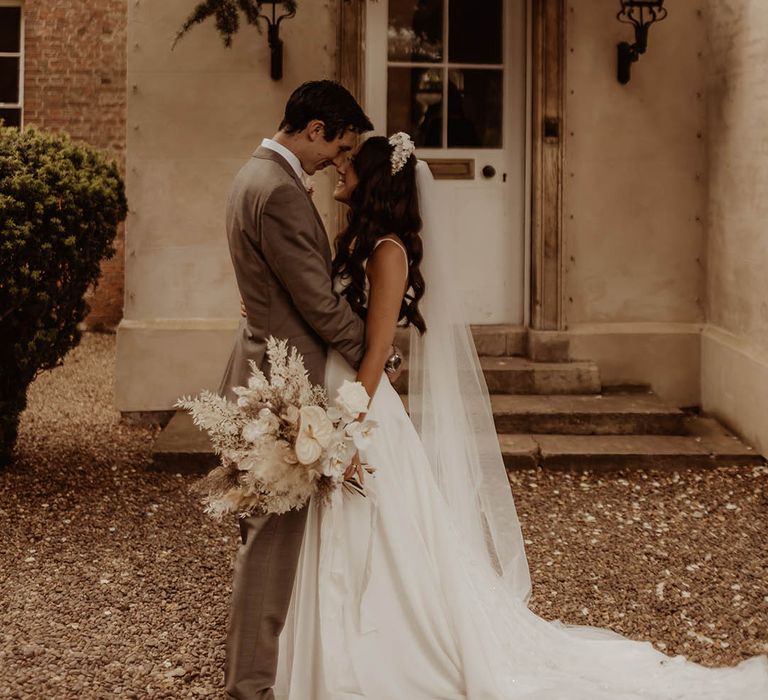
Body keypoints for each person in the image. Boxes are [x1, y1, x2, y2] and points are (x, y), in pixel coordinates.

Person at [273, 133, 768, 699]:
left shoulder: (387, 251)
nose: (338, 168)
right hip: (347, 394)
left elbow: (378, 348)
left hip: (361, 409)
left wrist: (348, 426)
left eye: (347, 164)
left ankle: (380, 653)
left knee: (378, 528)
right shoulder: (359, 241)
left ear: (374, 180)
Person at [217, 81, 402, 700]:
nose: (340, 162)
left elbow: (274, 289)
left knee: (262, 538)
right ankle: (250, 688)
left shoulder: (252, 175)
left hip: (259, 370)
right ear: (316, 129)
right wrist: (379, 354)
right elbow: (319, 306)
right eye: (340, 147)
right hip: (284, 389)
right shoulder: (278, 190)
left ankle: (269, 668)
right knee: (271, 545)